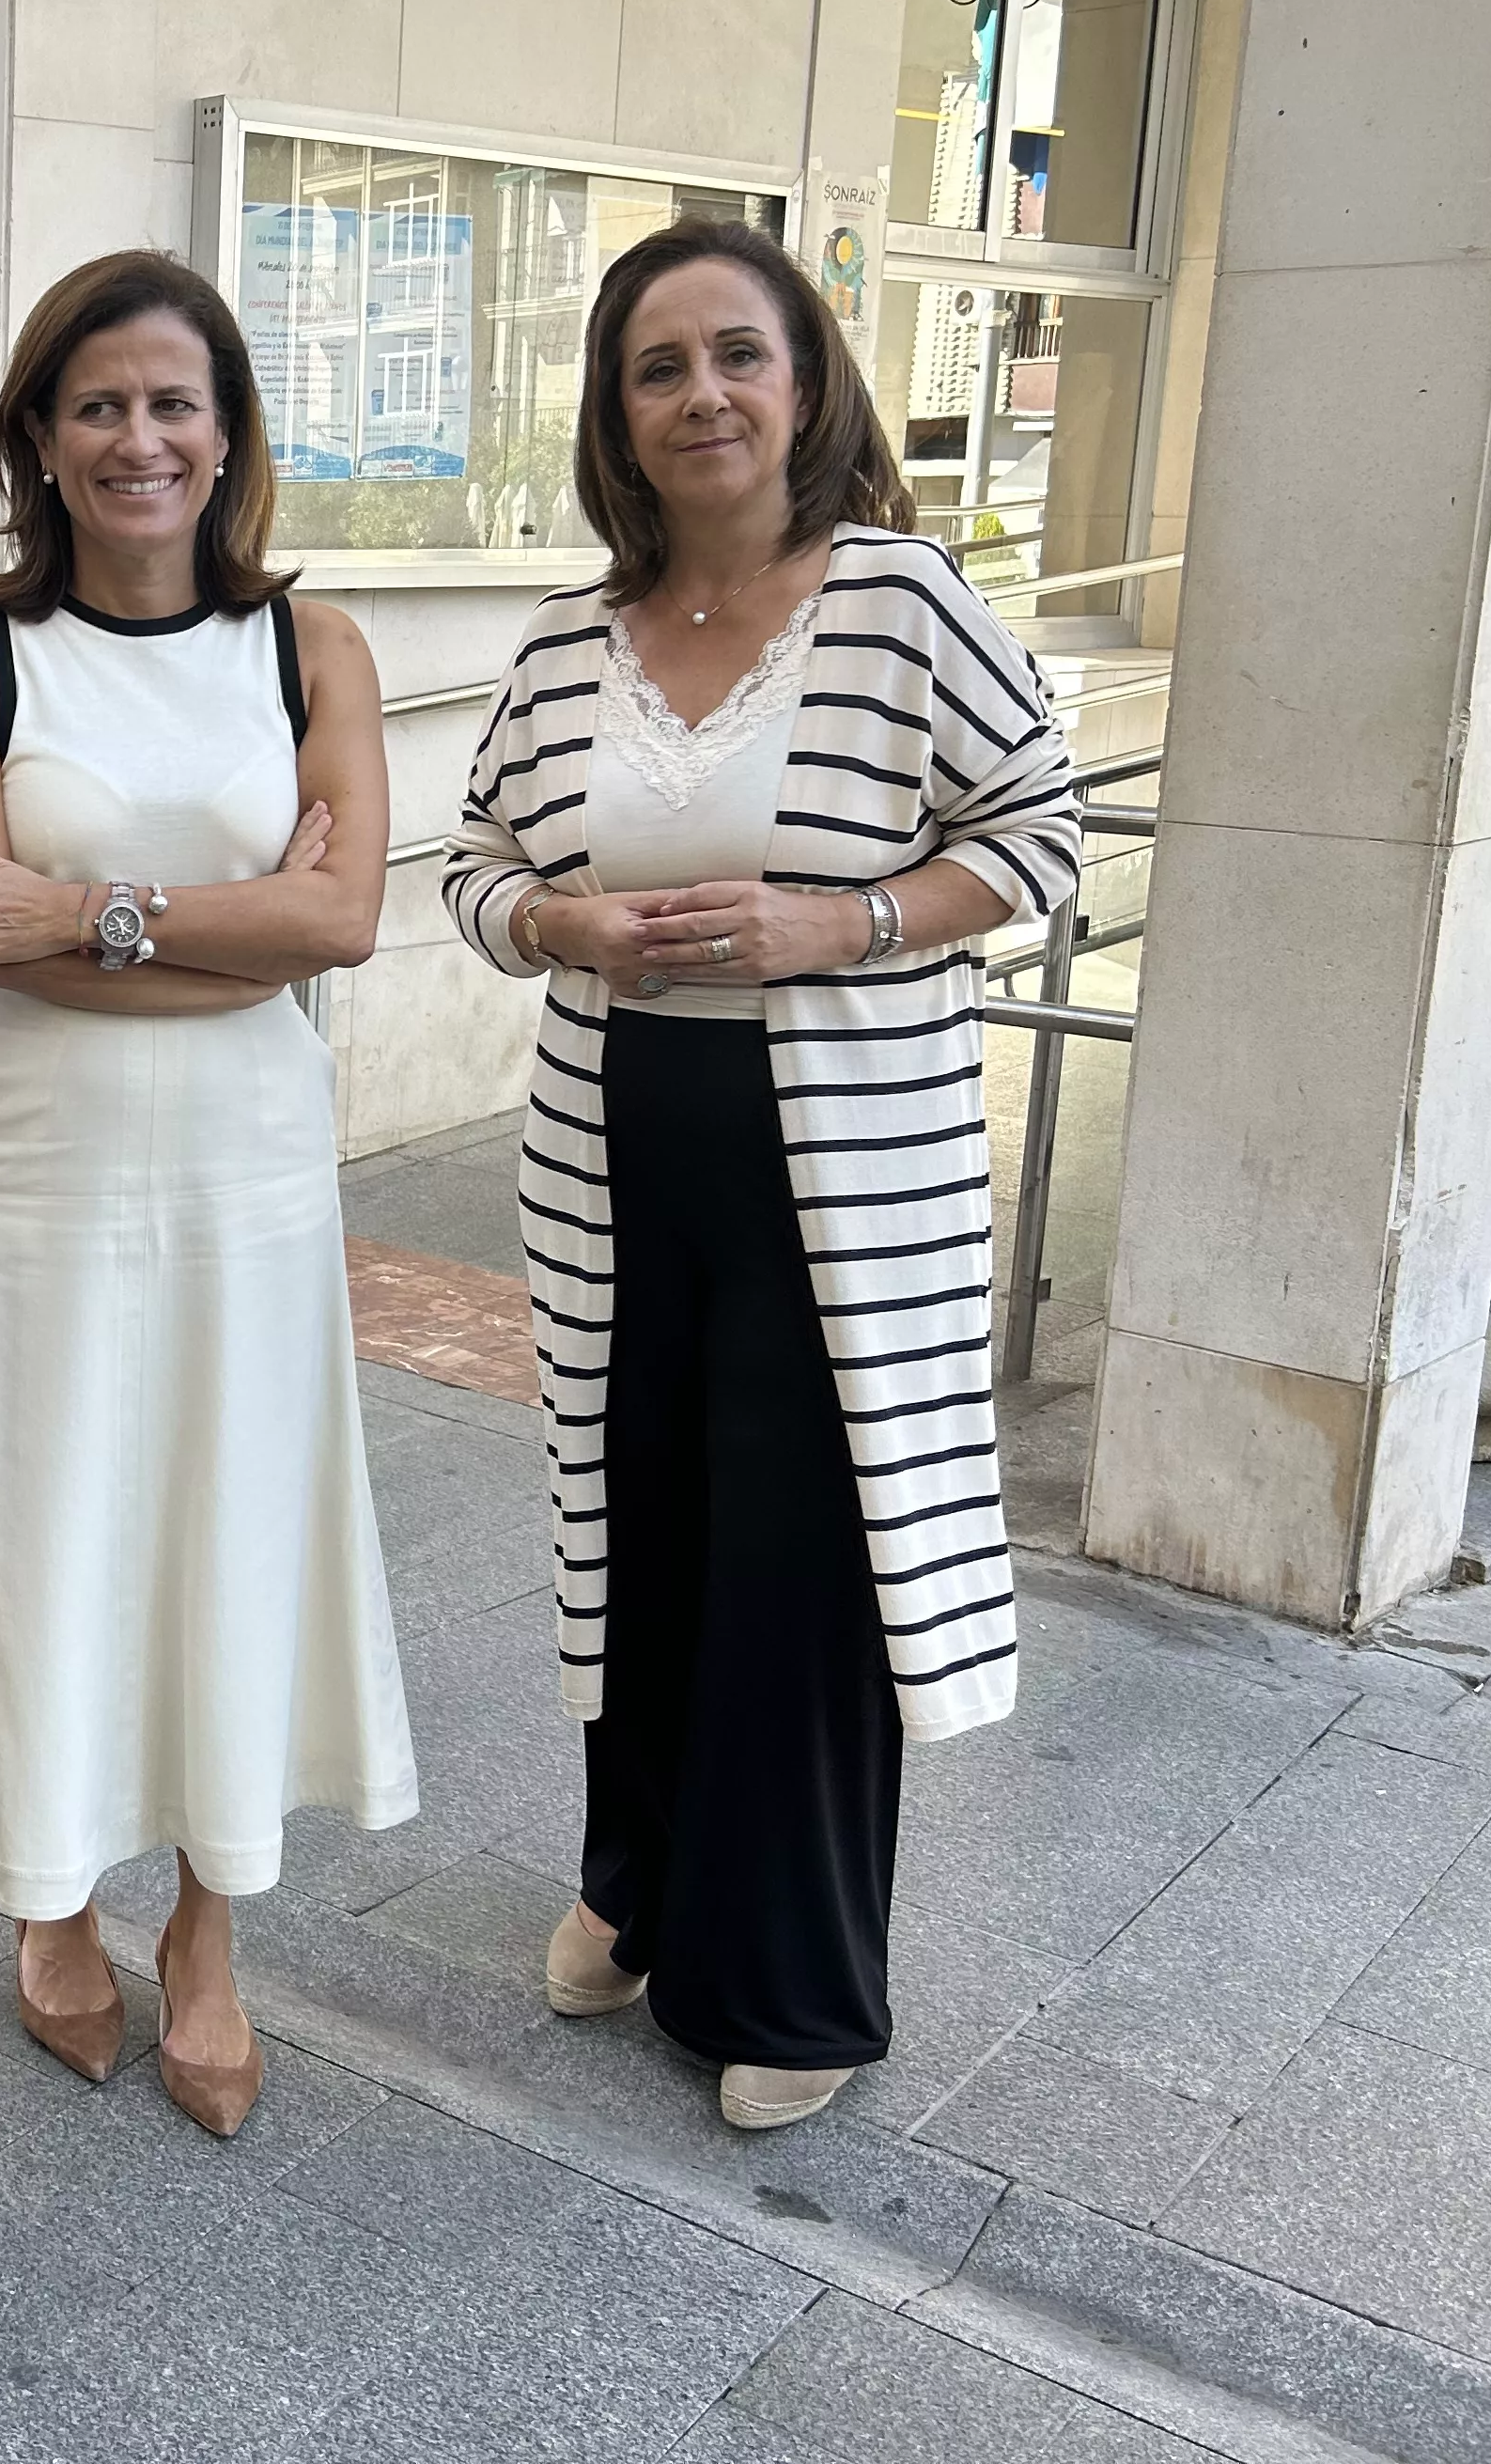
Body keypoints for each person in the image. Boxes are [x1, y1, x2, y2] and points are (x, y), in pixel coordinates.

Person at [438, 219, 1079, 2130]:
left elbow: (1040, 843)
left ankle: (789, 1987)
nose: (701, 394)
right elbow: (473, 867)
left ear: (807, 385)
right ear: (616, 416)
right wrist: (563, 928)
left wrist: (845, 923)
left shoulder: (899, 602)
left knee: (798, 1568)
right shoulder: (573, 642)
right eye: (658, 367)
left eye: (739, 355)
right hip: (619, 1161)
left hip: (842, 1188)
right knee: (636, 1535)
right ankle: (630, 1896)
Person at [0, 249, 417, 2141]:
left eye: (174, 403)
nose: (139, 437)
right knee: (54, 1533)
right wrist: (229, 935)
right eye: (99, 402)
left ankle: (206, 1937)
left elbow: (344, 920)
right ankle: (54, 1905)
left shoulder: (312, 649)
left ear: (227, 434)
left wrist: (96, 910)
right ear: (41, 435)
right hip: (34, 1172)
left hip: (246, 1174)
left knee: (227, 1531)